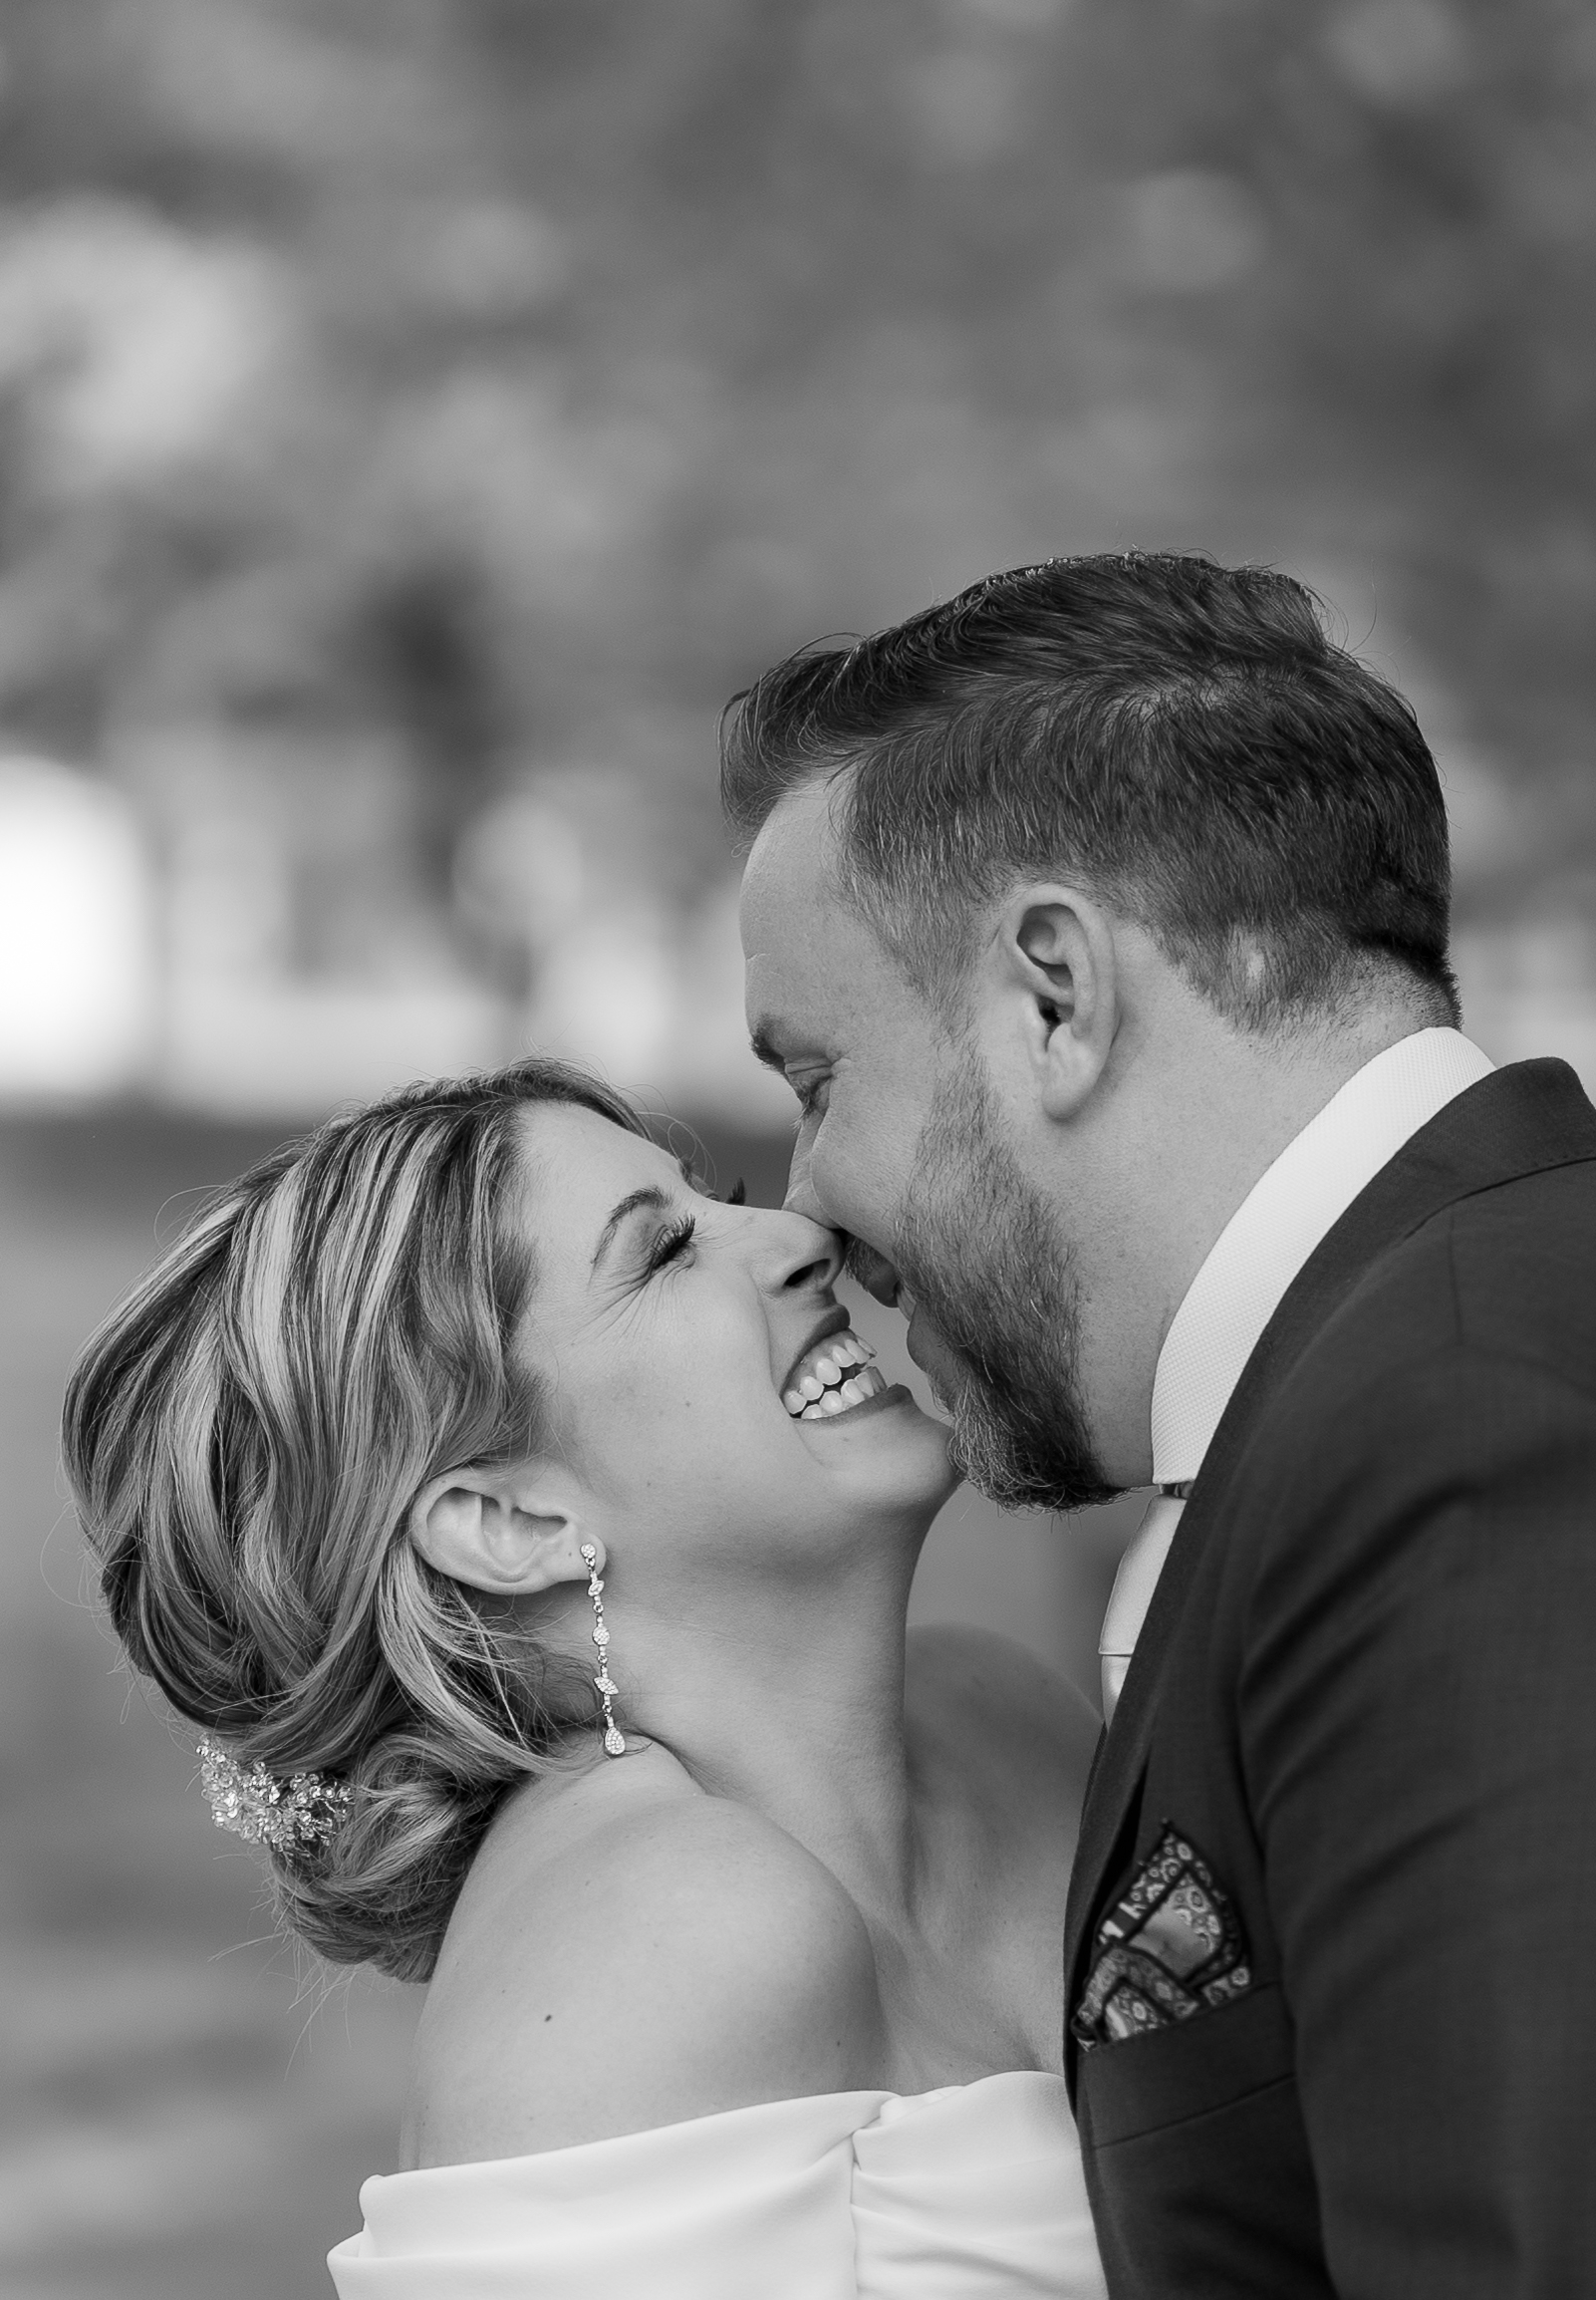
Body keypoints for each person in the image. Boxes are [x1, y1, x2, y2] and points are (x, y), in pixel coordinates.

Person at [725, 549, 1596, 2298]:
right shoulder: (1421, 1357)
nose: (804, 1203)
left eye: (816, 1079)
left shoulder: (1451, 1428)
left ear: (1054, 993)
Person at [62, 1056, 1108, 2300]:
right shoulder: (644, 1936)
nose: (798, 1236)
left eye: (718, 1201)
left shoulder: (1011, 1723)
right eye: (663, 1252)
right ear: (511, 1524)